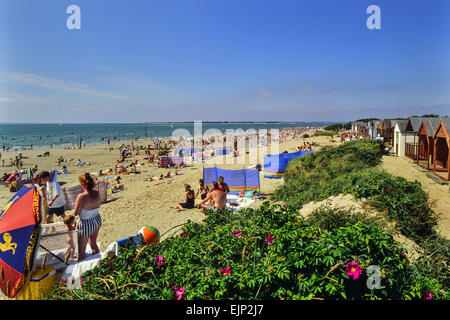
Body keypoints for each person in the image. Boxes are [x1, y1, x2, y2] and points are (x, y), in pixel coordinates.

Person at [73, 173, 102, 261]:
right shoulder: (97, 193)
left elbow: (76, 213)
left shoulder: (82, 196)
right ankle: (99, 262)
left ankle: (82, 271)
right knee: (93, 243)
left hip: (85, 223)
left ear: (82, 185)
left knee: (81, 251)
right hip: (96, 219)